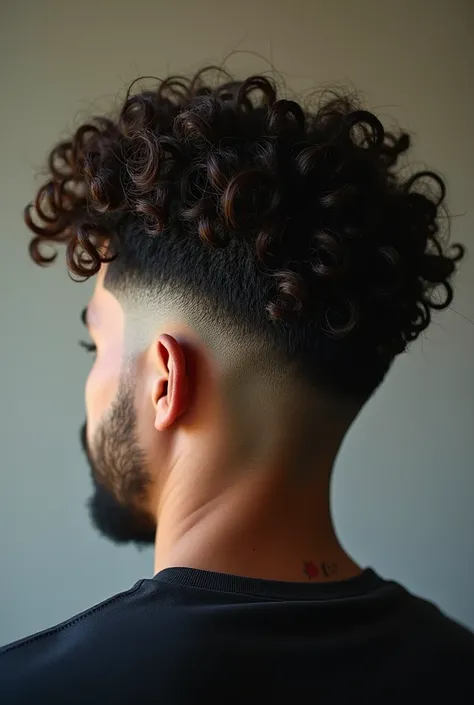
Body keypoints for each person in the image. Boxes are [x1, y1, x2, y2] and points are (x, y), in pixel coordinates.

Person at [0, 67, 472, 703]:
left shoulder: (35, 688)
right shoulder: (454, 664)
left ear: (165, 381)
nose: (87, 390)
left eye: (97, 344)